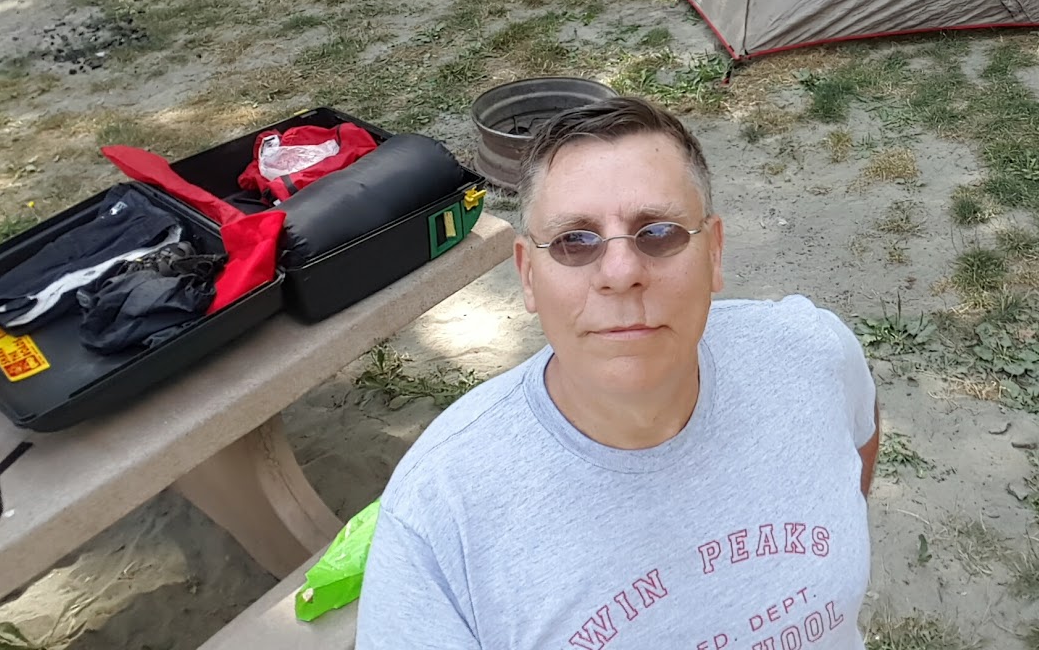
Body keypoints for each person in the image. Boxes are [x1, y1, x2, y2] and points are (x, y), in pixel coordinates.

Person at [357, 96, 880, 648]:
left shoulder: (810, 356)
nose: (622, 271)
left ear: (715, 253)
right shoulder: (440, 518)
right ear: (527, 275)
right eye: (574, 241)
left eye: (658, 232)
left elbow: (858, 440)